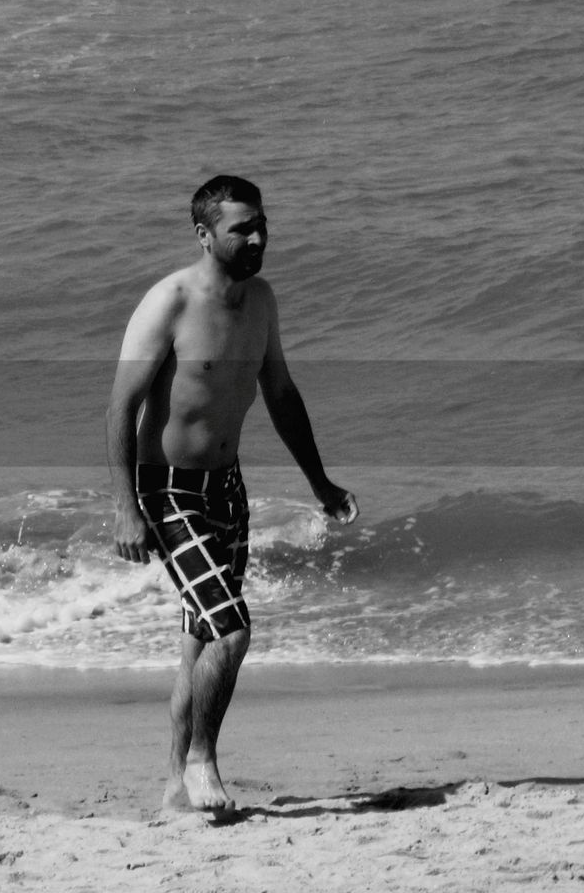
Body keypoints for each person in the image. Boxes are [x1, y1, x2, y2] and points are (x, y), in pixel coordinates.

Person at [106, 174, 358, 818]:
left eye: (261, 224)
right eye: (241, 227)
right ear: (204, 234)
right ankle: (201, 762)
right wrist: (125, 506)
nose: (257, 236)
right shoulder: (170, 302)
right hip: (167, 489)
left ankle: (172, 788)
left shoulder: (263, 301)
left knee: (199, 637)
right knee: (233, 630)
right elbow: (121, 407)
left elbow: (280, 394)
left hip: (227, 486)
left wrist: (320, 482)